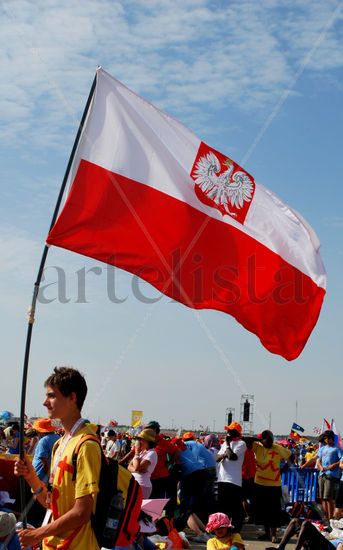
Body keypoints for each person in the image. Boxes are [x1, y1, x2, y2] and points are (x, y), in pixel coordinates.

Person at [14, 366, 101, 550]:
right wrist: (31, 477)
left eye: (52, 396)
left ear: (72, 397)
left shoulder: (86, 446)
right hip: (53, 544)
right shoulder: (59, 445)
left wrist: (37, 533)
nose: (45, 402)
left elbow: (82, 512)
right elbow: (50, 503)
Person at [252, 430, 292, 544]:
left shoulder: (278, 448)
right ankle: (266, 533)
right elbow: (246, 440)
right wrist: (258, 440)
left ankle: (274, 535)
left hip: (274, 485)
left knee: (274, 510)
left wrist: (283, 470)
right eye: (267, 440)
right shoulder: (258, 447)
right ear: (262, 440)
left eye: (271, 440)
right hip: (259, 483)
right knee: (263, 510)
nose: (270, 442)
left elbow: (291, 456)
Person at [216, 422, 247, 532]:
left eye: (230, 431)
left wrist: (228, 445)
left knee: (235, 507)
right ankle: (224, 527)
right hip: (222, 479)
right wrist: (225, 452)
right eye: (227, 430)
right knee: (223, 507)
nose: (227, 433)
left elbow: (232, 457)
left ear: (236, 433)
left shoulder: (241, 444)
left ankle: (236, 529)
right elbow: (217, 457)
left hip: (233, 481)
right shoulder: (225, 444)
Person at [265, 518, 343, 550]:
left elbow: (340, 546)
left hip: (327, 547)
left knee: (306, 524)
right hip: (322, 542)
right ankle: (281, 547)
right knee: (295, 521)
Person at [317, 430, 342, 520]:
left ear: (332, 439)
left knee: (328, 497)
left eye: (328, 438)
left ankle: (330, 517)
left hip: (331, 475)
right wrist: (320, 466)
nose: (327, 440)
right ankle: (325, 517)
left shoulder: (337, 449)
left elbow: (341, 460)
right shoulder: (322, 448)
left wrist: (333, 465)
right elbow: (318, 459)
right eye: (325, 438)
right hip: (322, 474)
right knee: (322, 498)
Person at [128, 428, 158, 498]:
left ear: (147, 441)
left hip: (143, 485)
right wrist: (137, 470)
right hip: (134, 483)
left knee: (140, 508)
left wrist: (136, 453)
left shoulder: (152, 453)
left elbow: (136, 467)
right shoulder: (142, 452)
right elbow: (129, 466)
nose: (138, 442)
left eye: (140, 439)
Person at [31, 418, 60, 482]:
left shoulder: (43, 441)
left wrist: (46, 474)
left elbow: (44, 460)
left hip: (41, 475)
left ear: (39, 431)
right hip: (52, 473)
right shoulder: (58, 438)